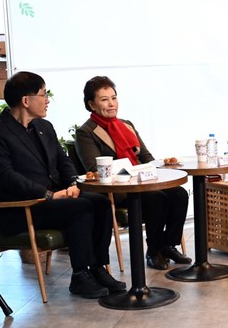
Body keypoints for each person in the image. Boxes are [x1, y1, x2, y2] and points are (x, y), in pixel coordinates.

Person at [0, 71, 123, 299]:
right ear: (26, 100)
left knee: (101, 203)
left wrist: (74, 184)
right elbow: (5, 176)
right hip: (21, 207)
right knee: (81, 208)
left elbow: (63, 161)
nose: (47, 100)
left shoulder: (44, 127)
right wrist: (48, 195)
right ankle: (80, 276)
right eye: (43, 94)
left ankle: (97, 268)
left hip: (53, 201)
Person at [74, 76, 191, 271]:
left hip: (142, 182)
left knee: (178, 194)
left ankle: (168, 245)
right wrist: (133, 172)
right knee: (157, 198)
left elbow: (146, 156)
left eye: (114, 98)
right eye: (104, 100)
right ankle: (154, 250)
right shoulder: (86, 132)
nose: (112, 104)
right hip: (117, 189)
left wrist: (153, 169)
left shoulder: (127, 125)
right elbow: (94, 169)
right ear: (91, 104)